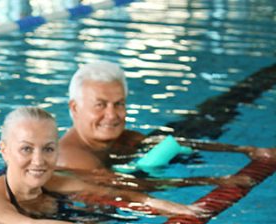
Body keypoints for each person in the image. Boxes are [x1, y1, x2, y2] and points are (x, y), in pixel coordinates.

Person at [0, 106, 205, 224]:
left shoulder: (52, 182)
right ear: (4, 151)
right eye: (26, 149)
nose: (39, 161)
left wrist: (164, 205)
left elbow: (108, 192)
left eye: (48, 149)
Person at [58, 60, 275, 188]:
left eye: (119, 104)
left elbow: (173, 142)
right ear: (75, 108)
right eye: (100, 105)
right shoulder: (73, 158)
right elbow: (131, 188)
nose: (112, 114)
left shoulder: (123, 138)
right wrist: (213, 181)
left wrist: (245, 149)